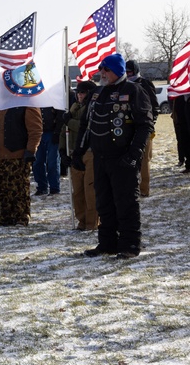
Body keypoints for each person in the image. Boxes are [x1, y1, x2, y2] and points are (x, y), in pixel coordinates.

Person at [72, 53, 153, 258]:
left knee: (126, 202)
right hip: (99, 157)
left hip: (123, 157)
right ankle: (107, 244)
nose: (102, 73)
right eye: (101, 69)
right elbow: (86, 125)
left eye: (105, 69)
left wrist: (134, 155)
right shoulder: (97, 93)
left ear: (116, 71)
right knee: (103, 202)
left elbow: (144, 126)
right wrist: (78, 152)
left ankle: (130, 245)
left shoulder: (134, 91)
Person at [0, 107, 42, 226]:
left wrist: (31, 150)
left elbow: (35, 129)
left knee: (18, 188)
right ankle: (5, 217)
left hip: (17, 155)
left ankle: (20, 218)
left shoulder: (27, 104)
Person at [61, 80, 97, 231]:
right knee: (78, 192)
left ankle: (92, 223)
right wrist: (62, 150)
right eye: (78, 92)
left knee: (90, 191)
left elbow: (86, 126)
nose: (79, 95)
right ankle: (82, 221)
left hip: (89, 152)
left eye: (82, 92)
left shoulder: (94, 107)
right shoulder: (74, 107)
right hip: (73, 153)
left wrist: (69, 120)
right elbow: (65, 130)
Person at [125, 60, 159, 196]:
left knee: (144, 159)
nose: (128, 74)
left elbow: (154, 107)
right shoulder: (124, 86)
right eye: (125, 72)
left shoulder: (145, 84)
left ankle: (144, 189)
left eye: (130, 72)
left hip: (144, 128)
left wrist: (150, 125)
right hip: (128, 129)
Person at [33, 105, 64, 196]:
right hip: (37, 132)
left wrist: (57, 132)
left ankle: (54, 187)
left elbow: (60, 114)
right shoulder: (35, 96)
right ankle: (42, 187)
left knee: (52, 162)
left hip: (51, 131)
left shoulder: (53, 96)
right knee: (37, 161)